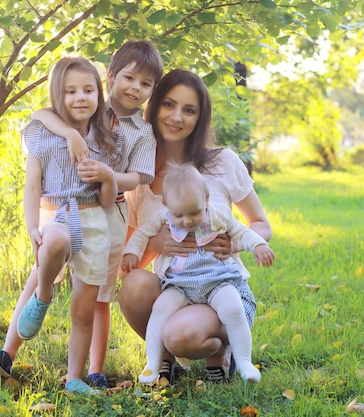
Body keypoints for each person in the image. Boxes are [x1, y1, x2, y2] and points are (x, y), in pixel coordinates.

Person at [0, 41, 164, 390]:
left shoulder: (141, 130)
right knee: (41, 272)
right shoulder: (89, 103)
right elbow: (41, 115)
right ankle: (7, 353)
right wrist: (71, 133)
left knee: (98, 295)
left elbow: (139, 177)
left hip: (111, 209)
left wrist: (108, 175)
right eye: (129, 78)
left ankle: (93, 369)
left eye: (145, 83)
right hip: (67, 207)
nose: (135, 88)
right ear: (110, 76)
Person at [118, 69, 274, 384]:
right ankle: (162, 362)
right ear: (154, 106)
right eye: (169, 105)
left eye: (189, 110)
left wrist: (235, 243)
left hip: (220, 284)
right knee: (134, 286)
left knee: (180, 335)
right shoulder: (138, 179)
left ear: (199, 118)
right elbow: (130, 261)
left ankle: (225, 348)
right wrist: (155, 244)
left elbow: (260, 223)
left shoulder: (223, 162)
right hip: (176, 285)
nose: (176, 117)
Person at [122, 162, 274, 384]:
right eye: (179, 215)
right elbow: (142, 234)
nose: (187, 221)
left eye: (194, 212)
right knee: (160, 310)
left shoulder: (216, 215)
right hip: (180, 286)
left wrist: (258, 245)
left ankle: (243, 361)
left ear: (206, 200)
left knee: (232, 307)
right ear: (166, 205)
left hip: (218, 282)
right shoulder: (163, 217)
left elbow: (240, 230)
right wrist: (131, 252)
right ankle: (153, 364)